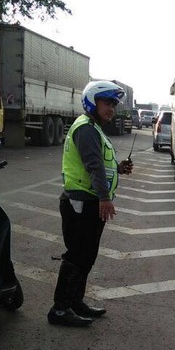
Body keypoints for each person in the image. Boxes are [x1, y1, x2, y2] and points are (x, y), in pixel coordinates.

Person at [47, 80, 134, 328]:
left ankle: (75, 302)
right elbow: (93, 166)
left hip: (89, 201)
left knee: (87, 256)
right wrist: (105, 199)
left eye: (114, 105)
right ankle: (60, 309)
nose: (111, 109)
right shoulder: (85, 128)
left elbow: (100, 164)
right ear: (92, 101)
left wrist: (118, 169)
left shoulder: (94, 128)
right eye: (107, 103)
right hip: (81, 202)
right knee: (76, 256)